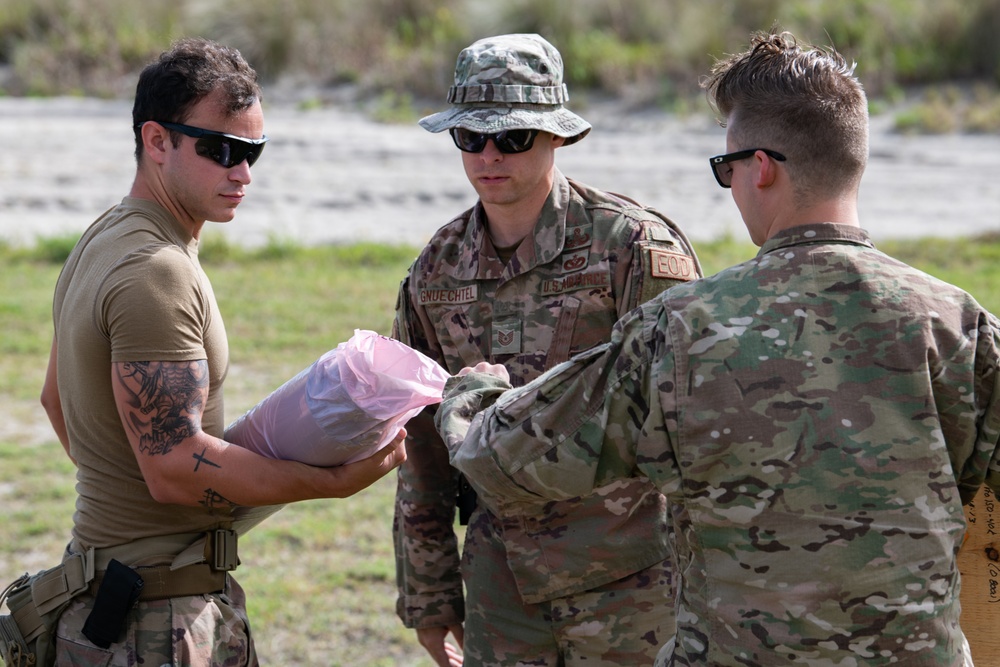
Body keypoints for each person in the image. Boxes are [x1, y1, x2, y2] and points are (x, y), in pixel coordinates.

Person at [434, 30, 1000, 667]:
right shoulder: (959, 325)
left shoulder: (679, 330)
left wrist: (475, 394)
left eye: (725, 168)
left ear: (760, 169)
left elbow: (503, 457)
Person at [31, 38, 405, 665]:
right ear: (157, 141)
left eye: (253, 151)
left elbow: (56, 399)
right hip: (154, 616)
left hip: (114, 594)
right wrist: (330, 483)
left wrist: (131, 505)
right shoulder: (156, 270)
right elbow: (175, 466)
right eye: (221, 150)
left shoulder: (102, 236)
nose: (243, 173)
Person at [392, 33, 701, 667]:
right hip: (500, 581)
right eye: (469, 138)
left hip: (630, 579)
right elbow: (419, 441)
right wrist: (429, 592)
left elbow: (695, 420)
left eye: (512, 138)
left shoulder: (632, 247)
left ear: (556, 136)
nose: (488, 155)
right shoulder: (438, 269)